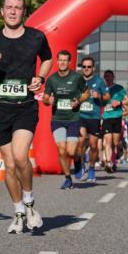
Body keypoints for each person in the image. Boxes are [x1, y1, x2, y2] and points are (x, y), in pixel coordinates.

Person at [0, 0, 53, 234]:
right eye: (8, 7)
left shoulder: (36, 37)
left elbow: (48, 59)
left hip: (25, 107)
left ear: (24, 12)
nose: (12, 11)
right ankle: (18, 211)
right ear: (2, 11)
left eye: (17, 7)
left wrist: (40, 77)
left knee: (21, 157)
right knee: (8, 166)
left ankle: (30, 203)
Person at [43, 50, 88, 190]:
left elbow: (86, 93)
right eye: (60, 60)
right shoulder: (51, 79)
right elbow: (45, 98)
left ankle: (78, 160)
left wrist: (79, 100)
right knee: (62, 151)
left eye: (65, 60)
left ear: (69, 62)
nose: (62, 62)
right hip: (57, 119)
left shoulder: (76, 77)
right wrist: (47, 100)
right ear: (57, 61)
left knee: (71, 151)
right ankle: (68, 178)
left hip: (73, 118)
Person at [76, 57, 109, 182]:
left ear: (93, 68)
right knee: (80, 141)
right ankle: (81, 165)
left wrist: (99, 95)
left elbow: (107, 96)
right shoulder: (77, 80)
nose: (86, 69)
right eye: (84, 66)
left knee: (93, 145)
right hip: (80, 115)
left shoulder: (99, 81)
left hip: (94, 117)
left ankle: (91, 168)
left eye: (89, 67)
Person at [102, 70, 127, 173]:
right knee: (107, 141)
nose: (107, 78)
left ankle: (112, 160)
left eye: (109, 76)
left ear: (113, 77)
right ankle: (108, 162)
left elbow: (127, 100)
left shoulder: (119, 88)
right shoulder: (102, 89)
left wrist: (119, 102)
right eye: (105, 77)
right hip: (107, 117)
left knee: (115, 142)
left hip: (117, 117)